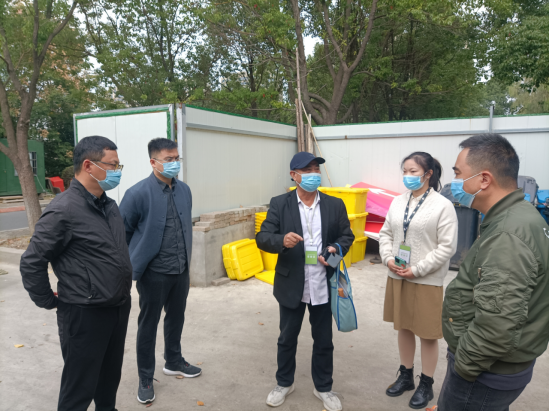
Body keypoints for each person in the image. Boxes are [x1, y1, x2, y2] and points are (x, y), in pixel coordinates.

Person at [20, 136, 132, 411]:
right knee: (79, 388)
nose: (117, 171)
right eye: (112, 165)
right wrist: (48, 300)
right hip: (84, 312)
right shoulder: (63, 209)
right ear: (88, 166)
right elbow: (32, 261)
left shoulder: (109, 205)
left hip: (117, 307)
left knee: (109, 379)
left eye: (118, 165)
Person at [438, 134, 549, 410]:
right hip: (496, 368)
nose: (455, 182)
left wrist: (464, 365)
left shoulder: (508, 234)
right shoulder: (521, 216)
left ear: (484, 179)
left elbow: (497, 323)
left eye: (458, 173)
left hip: (484, 373)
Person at [256, 152, 355, 411]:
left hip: (323, 282)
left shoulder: (335, 205)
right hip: (292, 284)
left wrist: (334, 250)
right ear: (294, 175)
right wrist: (281, 241)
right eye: (307, 170)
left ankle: (323, 387)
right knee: (287, 337)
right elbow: (263, 237)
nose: (314, 174)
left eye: (316, 170)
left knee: (324, 340)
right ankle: (284, 383)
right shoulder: (280, 204)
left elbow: (347, 237)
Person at [119, 138, 199, 405]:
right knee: (148, 324)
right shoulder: (137, 194)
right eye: (169, 159)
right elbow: (122, 234)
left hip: (181, 269)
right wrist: (130, 266)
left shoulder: (184, 190)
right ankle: (145, 377)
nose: (175, 163)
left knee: (176, 318)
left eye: (177, 158)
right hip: (153, 273)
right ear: (153, 162)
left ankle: (173, 361)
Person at [379, 152, 458, 410]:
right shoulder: (397, 201)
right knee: (403, 327)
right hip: (398, 274)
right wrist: (388, 258)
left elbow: (447, 247)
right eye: (405, 171)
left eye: (413, 171)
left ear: (428, 174)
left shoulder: (442, 205)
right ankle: (406, 375)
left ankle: (426, 383)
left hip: (426, 279)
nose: (407, 176)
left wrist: (418, 269)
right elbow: (386, 233)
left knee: (427, 333)